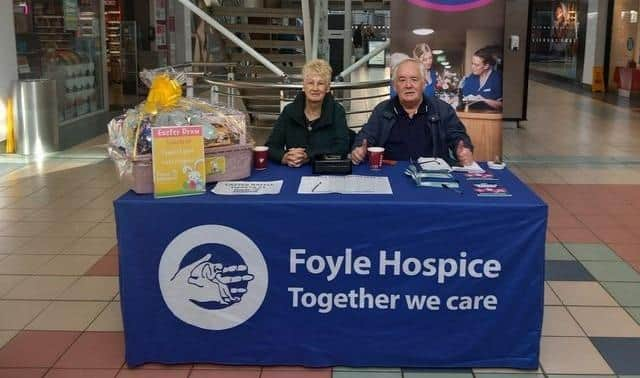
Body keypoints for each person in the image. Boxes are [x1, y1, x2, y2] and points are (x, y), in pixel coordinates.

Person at [351, 58, 474, 166]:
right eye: (402, 80)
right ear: (395, 86)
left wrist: (462, 150)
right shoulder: (382, 110)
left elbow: (458, 136)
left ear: (424, 84)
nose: (408, 85)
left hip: (433, 175)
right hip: (391, 173)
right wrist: (359, 149)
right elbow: (365, 136)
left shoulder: (442, 109)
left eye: (414, 79)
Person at [266, 59, 350, 167]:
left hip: (323, 172)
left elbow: (342, 148)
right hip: (293, 170)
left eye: (320, 83)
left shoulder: (337, 111)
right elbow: (271, 146)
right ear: (303, 86)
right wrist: (284, 157)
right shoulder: (289, 111)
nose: (315, 88)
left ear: (328, 88)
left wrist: (308, 156)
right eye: (310, 83)